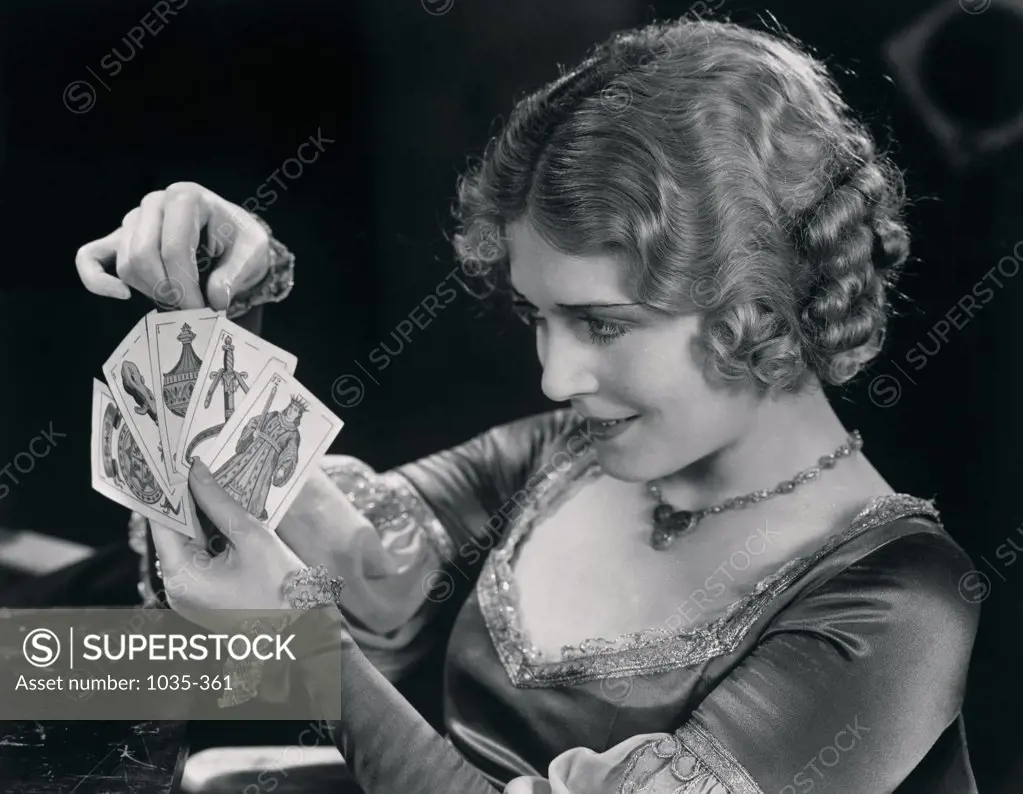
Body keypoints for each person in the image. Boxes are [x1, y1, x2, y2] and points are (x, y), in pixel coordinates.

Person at [72, 16, 980, 794]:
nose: (555, 376)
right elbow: (256, 604)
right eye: (538, 316)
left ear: (760, 303)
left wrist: (308, 654)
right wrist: (221, 304)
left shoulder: (897, 603)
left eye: (602, 322)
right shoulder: (563, 454)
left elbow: (295, 637)